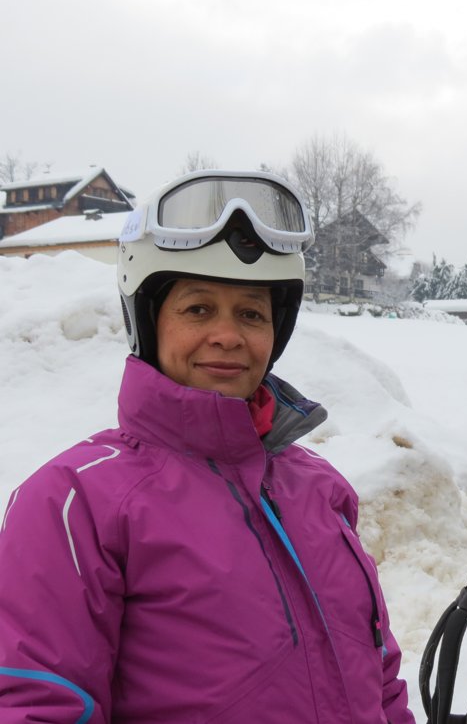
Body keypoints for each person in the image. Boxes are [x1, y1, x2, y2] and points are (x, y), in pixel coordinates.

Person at [0, 170, 416, 723]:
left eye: (251, 313)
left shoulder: (320, 489)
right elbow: (38, 705)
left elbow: (381, 682)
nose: (228, 334)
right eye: (198, 309)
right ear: (149, 321)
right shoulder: (75, 501)